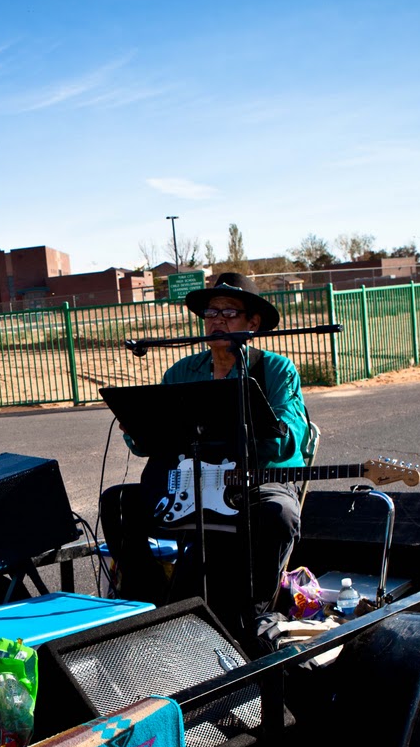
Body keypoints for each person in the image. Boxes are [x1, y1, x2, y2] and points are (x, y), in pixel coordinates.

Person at [99, 272, 310, 646]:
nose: (217, 320)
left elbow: (288, 443)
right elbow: (152, 445)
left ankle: (254, 615)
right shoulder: (182, 373)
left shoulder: (275, 370)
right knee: (117, 502)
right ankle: (150, 601)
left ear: (253, 323)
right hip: (193, 487)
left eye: (230, 312)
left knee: (279, 514)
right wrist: (138, 430)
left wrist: (248, 421)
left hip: (254, 485)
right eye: (212, 312)